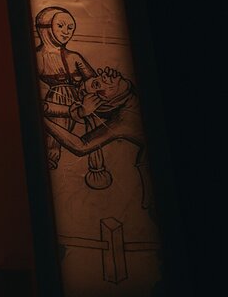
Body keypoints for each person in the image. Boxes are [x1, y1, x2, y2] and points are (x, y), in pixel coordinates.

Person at [42, 67, 151, 209]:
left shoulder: (131, 96)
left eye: (97, 77)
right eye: (98, 84)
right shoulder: (124, 120)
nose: (103, 75)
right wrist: (44, 120)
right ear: (106, 102)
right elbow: (81, 146)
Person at [34, 6, 111, 189]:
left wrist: (92, 86)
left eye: (70, 27)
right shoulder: (37, 57)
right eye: (60, 26)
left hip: (83, 99)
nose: (66, 32)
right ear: (45, 27)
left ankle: (97, 167)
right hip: (58, 105)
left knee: (95, 117)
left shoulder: (74, 57)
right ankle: (51, 158)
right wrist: (74, 110)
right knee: (57, 117)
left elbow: (92, 79)